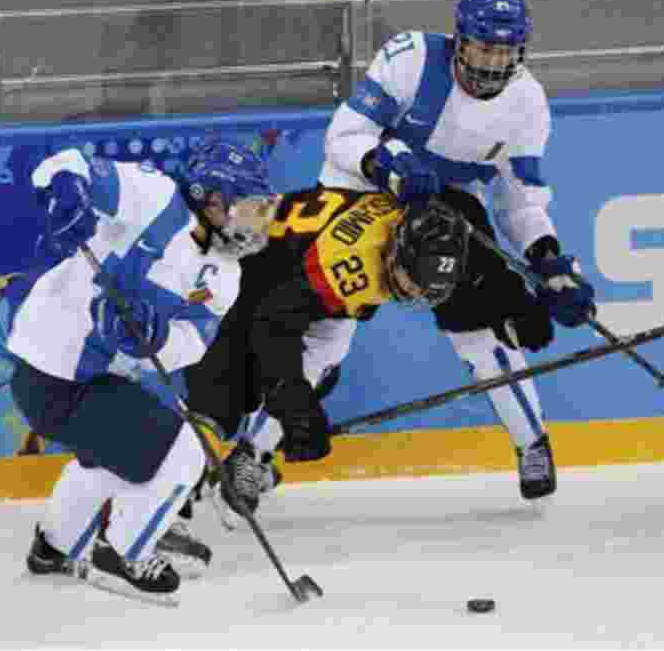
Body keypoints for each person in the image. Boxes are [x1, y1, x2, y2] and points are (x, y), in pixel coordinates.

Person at [213, 0, 596, 510]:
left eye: (505, 51)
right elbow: (344, 136)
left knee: (482, 328)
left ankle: (532, 442)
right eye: (484, 47)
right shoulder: (410, 58)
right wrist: (384, 163)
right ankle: (251, 454)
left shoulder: (528, 103)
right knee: (326, 335)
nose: (491, 63)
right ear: (460, 38)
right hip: (358, 194)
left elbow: (520, 202)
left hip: (442, 209)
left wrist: (548, 260)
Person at [8, 140, 277, 604]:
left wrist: (156, 340)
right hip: (52, 367)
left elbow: (192, 342)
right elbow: (65, 164)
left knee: (118, 453)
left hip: (91, 381)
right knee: (186, 449)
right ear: (211, 198)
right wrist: (67, 192)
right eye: (246, 207)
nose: (253, 221)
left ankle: (54, 546)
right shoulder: (152, 198)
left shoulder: (225, 274)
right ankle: (124, 553)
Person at [185, 189, 471, 523]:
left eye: (426, 290)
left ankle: (251, 451)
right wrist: (295, 405)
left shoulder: (417, 227)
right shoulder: (351, 264)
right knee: (237, 383)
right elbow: (275, 324)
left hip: (293, 266)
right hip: (255, 265)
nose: (414, 292)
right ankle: (194, 474)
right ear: (397, 248)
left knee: (323, 363)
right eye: (412, 281)